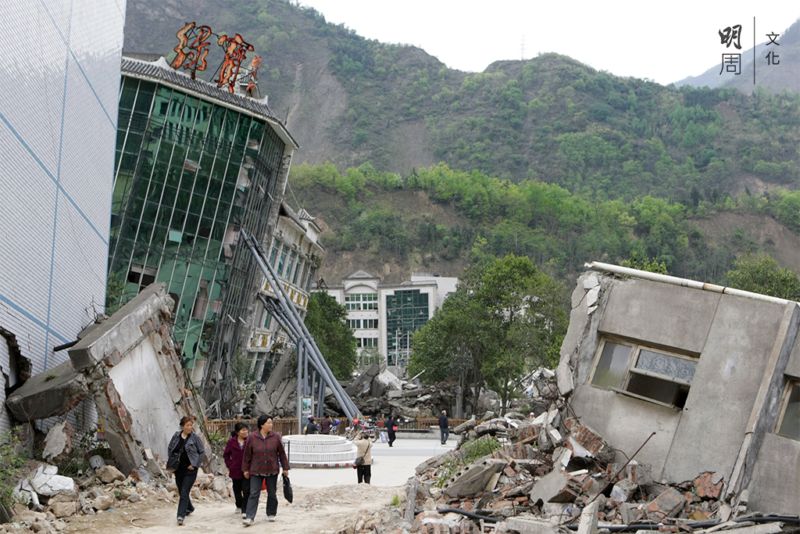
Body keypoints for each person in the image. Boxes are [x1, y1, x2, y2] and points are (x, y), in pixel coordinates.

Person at [242, 415, 289, 527]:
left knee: (272, 493)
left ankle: (271, 513)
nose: (270, 425)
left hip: (272, 469)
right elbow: (247, 455)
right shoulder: (252, 437)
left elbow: (282, 453)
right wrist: (245, 469)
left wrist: (285, 468)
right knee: (254, 494)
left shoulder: (276, 437)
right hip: (256, 469)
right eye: (268, 423)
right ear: (262, 424)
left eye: (271, 423)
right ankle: (249, 517)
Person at [167, 416, 205, 526]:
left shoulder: (195, 437)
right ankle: (190, 507)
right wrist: (172, 461)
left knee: (184, 491)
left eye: (191, 425)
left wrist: (195, 464)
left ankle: (180, 516)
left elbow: (202, 452)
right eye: (187, 425)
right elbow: (170, 448)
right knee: (181, 490)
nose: (189, 427)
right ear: (182, 426)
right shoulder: (176, 435)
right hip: (178, 469)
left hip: (190, 470)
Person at [223, 422, 250, 518]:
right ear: (238, 432)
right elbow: (226, 455)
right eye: (243, 430)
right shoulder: (231, 442)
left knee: (247, 490)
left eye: (246, 430)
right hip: (236, 469)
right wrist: (230, 465)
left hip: (247, 470)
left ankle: (245, 509)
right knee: (237, 490)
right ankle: (239, 505)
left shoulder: (249, 441)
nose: (245, 432)